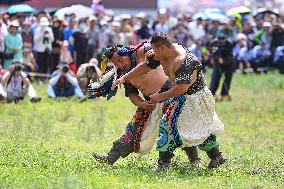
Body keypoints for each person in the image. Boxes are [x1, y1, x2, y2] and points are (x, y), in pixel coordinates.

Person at [112, 33, 226, 169]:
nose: (152, 53)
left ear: (161, 48)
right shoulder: (162, 54)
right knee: (188, 128)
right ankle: (216, 156)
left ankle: (163, 165)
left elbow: (181, 88)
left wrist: (159, 96)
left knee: (175, 127)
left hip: (195, 98)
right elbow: (145, 66)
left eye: (154, 50)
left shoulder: (183, 61)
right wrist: (125, 77)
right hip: (181, 98)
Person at [92, 43, 201, 169]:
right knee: (132, 130)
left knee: (178, 128)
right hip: (149, 103)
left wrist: (153, 52)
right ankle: (110, 158)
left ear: (126, 53)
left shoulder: (143, 51)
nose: (120, 65)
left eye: (120, 60)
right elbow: (132, 94)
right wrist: (141, 104)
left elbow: (162, 51)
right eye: (116, 63)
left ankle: (194, 161)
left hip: (169, 94)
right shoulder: (123, 74)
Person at [209, 33, 235, 101]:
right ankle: (211, 94)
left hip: (228, 63)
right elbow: (212, 52)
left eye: (222, 41)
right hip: (218, 62)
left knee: (228, 78)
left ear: (225, 40)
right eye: (219, 41)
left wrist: (224, 61)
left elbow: (230, 55)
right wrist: (216, 58)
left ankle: (224, 94)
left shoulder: (229, 44)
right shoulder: (214, 43)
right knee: (215, 79)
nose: (220, 42)